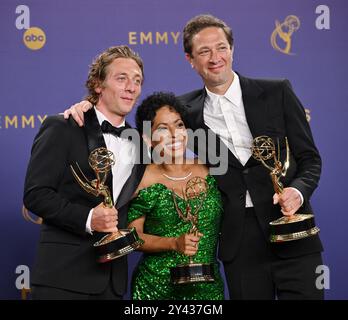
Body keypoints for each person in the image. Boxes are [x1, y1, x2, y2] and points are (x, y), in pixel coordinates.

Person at [63, 15, 324, 300]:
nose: (215, 58)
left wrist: (297, 192)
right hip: (238, 241)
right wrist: (89, 106)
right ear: (190, 59)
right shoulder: (185, 110)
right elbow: (142, 125)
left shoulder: (277, 91)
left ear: (232, 50)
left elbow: (310, 159)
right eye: (204, 51)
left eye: (221, 47)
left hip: (292, 228)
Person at [23, 45, 145, 299]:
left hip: (112, 283)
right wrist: (89, 218)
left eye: (137, 81)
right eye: (121, 78)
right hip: (63, 279)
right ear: (98, 84)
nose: (131, 87)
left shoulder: (140, 144)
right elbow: (36, 195)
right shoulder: (64, 126)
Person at [127, 92, 224, 300]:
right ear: (148, 138)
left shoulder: (210, 168)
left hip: (207, 288)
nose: (174, 134)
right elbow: (133, 237)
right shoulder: (141, 179)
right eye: (162, 128)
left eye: (178, 125)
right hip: (155, 289)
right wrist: (173, 243)